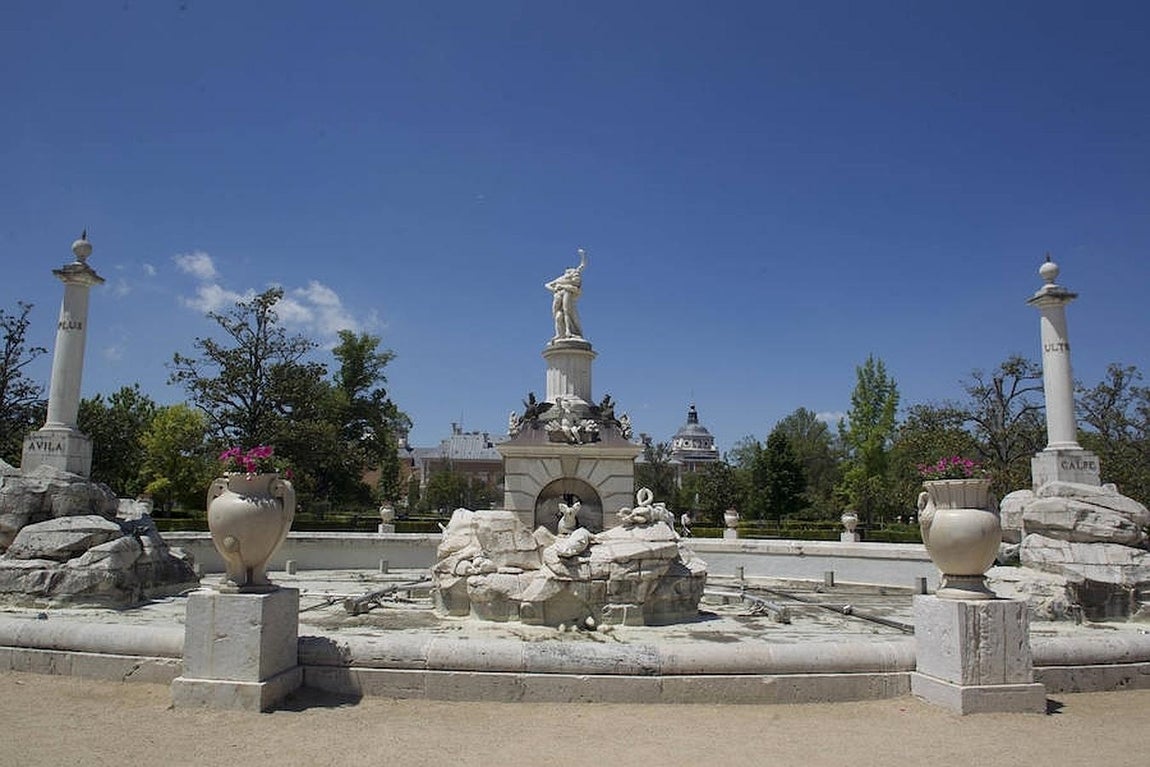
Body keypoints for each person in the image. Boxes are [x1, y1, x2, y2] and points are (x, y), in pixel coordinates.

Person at [544, 249, 587, 339]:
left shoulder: (572, 277)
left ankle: (568, 331)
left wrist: (583, 255)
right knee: (557, 316)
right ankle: (559, 334)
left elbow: (582, 266)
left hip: (566, 294)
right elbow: (547, 285)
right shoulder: (560, 279)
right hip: (558, 296)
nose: (569, 272)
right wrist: (555, 288)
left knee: (567, 311)